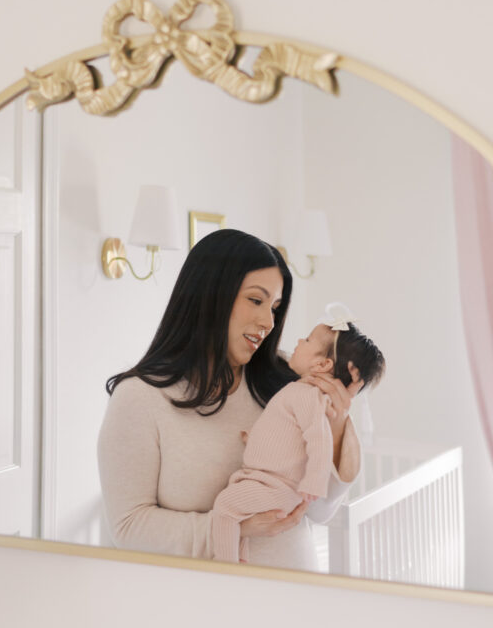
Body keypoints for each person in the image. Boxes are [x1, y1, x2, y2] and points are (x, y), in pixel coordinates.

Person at [97, 229, 363, 571]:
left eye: (275, 308)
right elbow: (128, 527)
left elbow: (320, 511)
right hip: (208, 607)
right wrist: (231, 527)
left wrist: (337, 426)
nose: (268, 322)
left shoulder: (287, 384)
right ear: (210, 296)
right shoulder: (139, 399)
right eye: (256, 300)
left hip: (297, 599)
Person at [211, 321, 385, 564]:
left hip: (276, 487)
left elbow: (319, 439)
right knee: (235, 504)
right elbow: (285, 434)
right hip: (270, 483)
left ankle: (225, 568)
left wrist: (314, 480)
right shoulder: (299, 391)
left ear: (322, 364)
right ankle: (239, 557)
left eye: (306, 340)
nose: (298, 342)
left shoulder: (306, 395)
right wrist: (255, 438)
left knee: (225, 507)